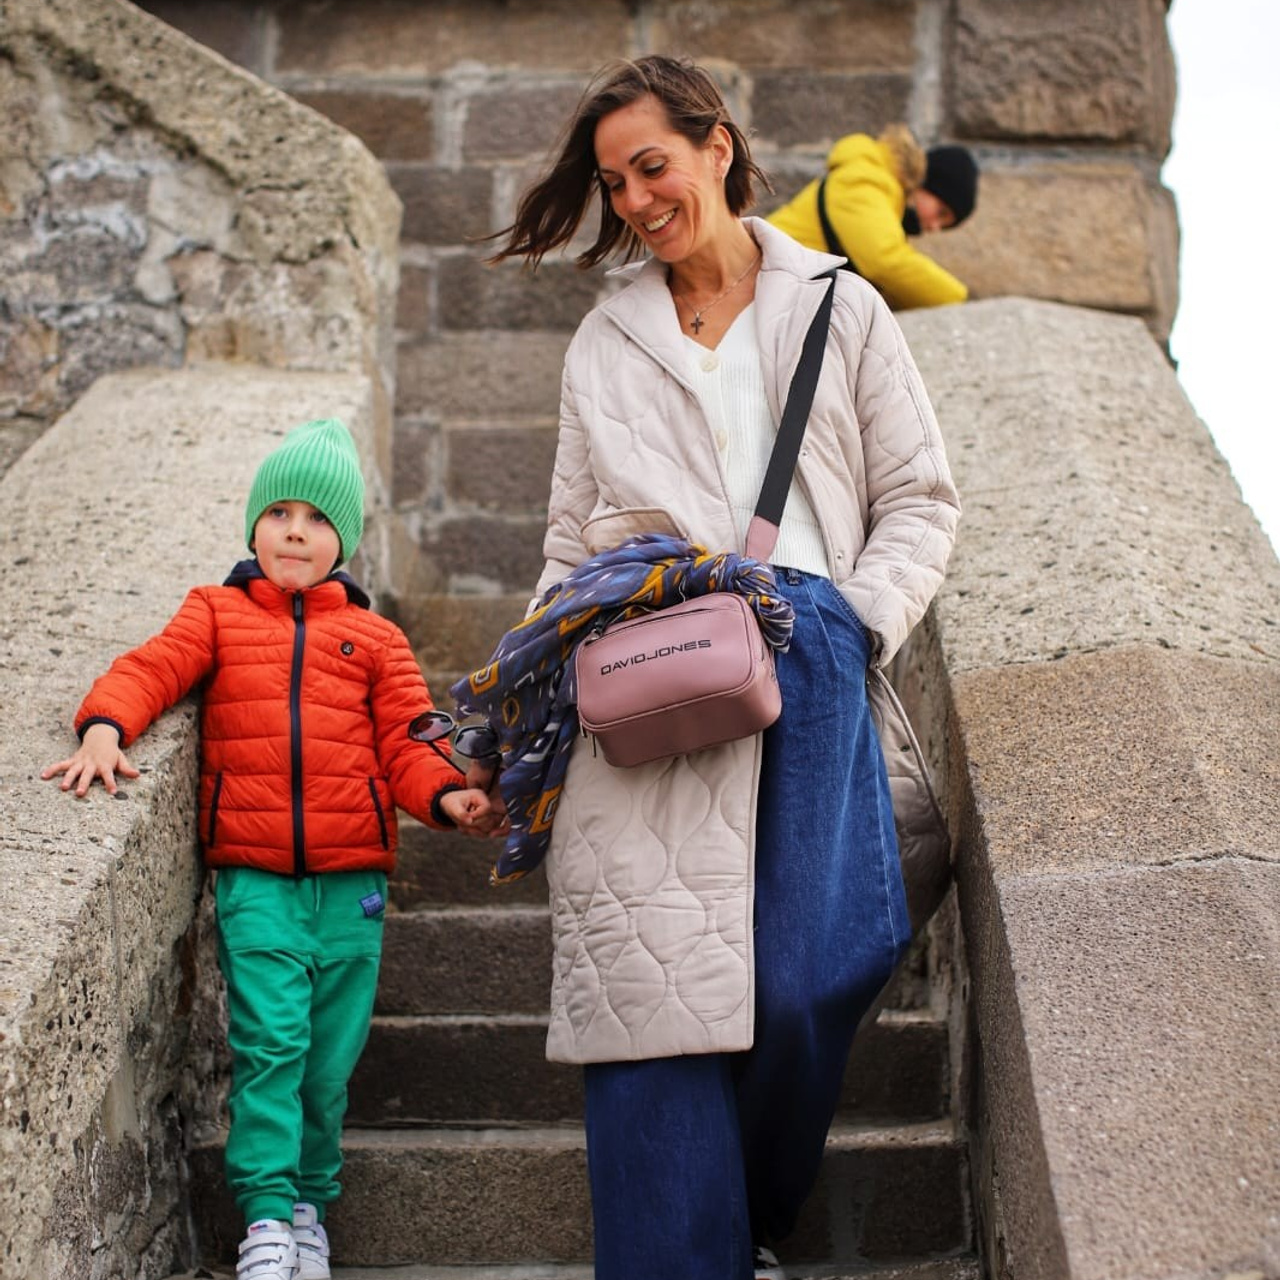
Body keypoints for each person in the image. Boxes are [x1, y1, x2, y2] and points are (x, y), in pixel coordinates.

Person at [481, 54, 960, 1280]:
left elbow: (917, 496)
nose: (636, 200)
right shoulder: (603, 339)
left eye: (653, 166)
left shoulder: (837, 305)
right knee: (649, 998)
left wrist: (854, 618)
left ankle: (744, 1205)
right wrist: (520, 721)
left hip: (808, 646)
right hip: (642, 664)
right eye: (612, 182)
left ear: (718, 147)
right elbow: (566, 541)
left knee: (813, 965)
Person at [42, 418, 499, 1280]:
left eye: (319, 518)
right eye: (280, 511)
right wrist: (104, 728)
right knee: (271, 1048)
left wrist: (449, 794)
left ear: (346, 542)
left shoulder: (378, 640)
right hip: (256, 881)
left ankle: (307, 1209)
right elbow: (150, 670)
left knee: (327, 1067)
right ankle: (262, 1220)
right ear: (253, 525)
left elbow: (409, 743)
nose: (296, 529)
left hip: (354, 886)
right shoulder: (215, 613)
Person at [767, 124, 978, 310]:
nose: (934, 227)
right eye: (941, 213)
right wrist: (960, 300)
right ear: (926, 184)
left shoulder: (879, 192)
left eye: (944, 225)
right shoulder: (863, 180)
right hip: (760, 285)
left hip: (775, 289)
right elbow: (886, 261)